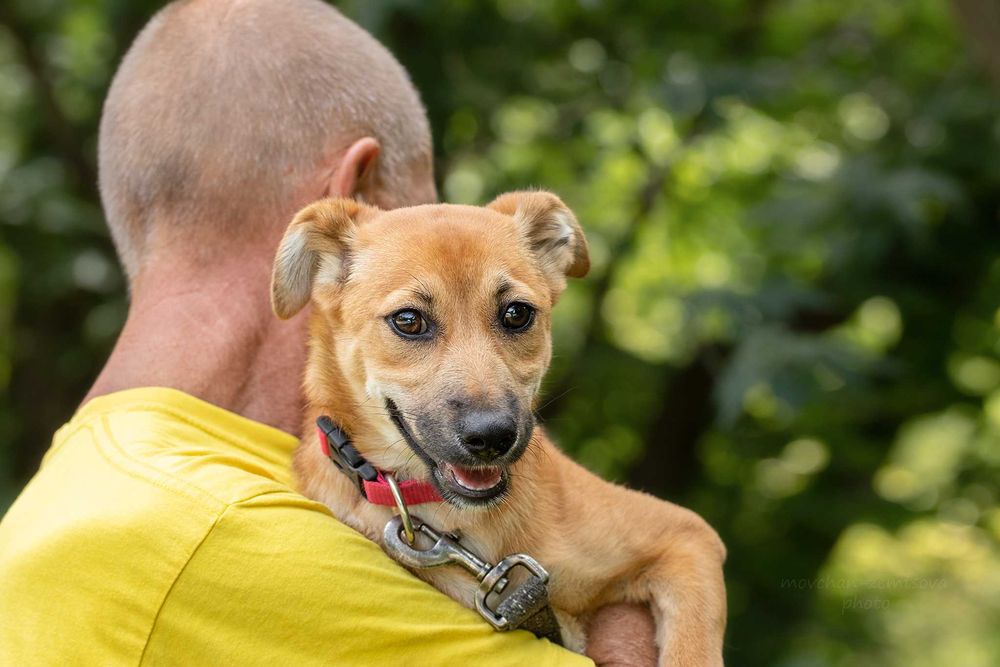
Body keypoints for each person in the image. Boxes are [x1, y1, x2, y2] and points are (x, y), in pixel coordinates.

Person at [0, 0, 656, 664]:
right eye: (428, 208)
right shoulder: (214, 537)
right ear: (356, 196)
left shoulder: (71, 496)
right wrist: (623, 605)